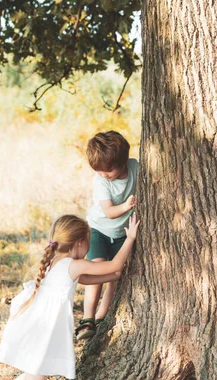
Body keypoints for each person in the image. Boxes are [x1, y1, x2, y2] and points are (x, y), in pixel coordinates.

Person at [0, 213, 140, 380]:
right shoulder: (75, 264)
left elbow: (85, 279)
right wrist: (129, 239)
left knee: (36, 371)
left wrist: (114, 277)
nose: (89, 248)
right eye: (89, 242)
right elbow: (114, 265)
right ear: (80, 242)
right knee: (38, 374)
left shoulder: (55, 261)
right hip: (47, 324)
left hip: (38, 320)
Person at [76, 131, 138, 340]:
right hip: (99, 230)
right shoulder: (101, 182)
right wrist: (127, 205)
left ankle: (101, 318)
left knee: (115, 276)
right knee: (97, 271)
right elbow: (110, 212)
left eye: (108, 170)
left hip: (122, 234)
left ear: (122, 162)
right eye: (99, 171)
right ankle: (88, 319)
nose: (104, 174)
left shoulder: (135, 167)